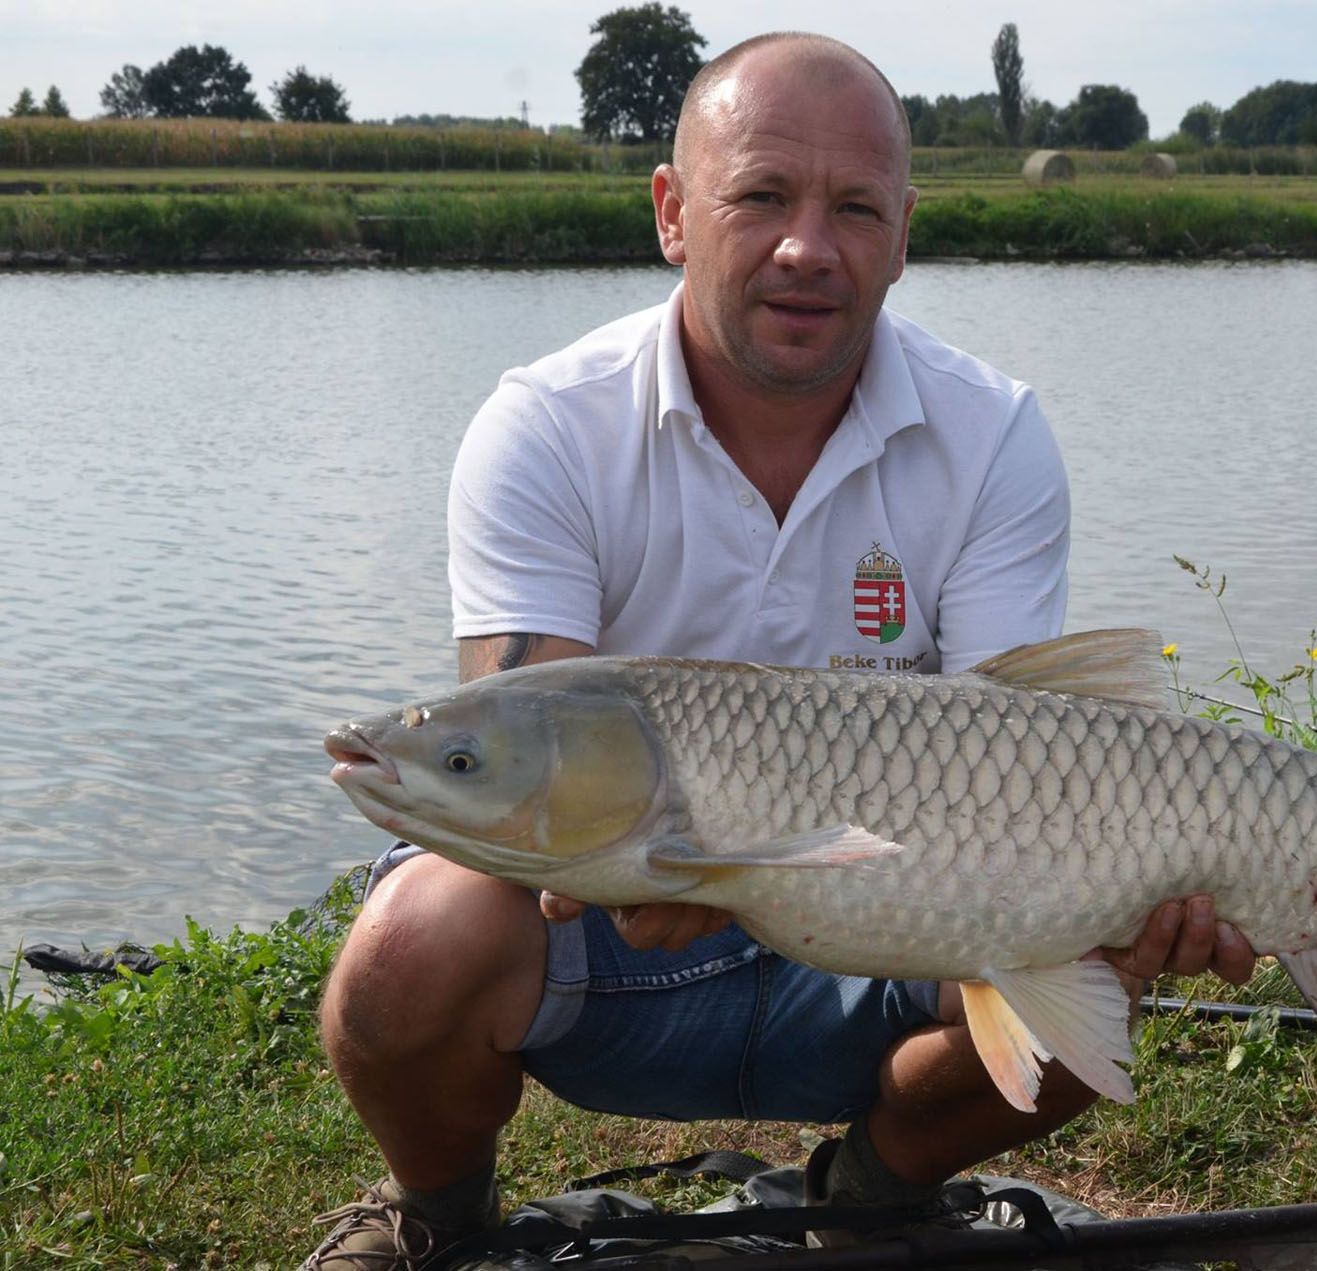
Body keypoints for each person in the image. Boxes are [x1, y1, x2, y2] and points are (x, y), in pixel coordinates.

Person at [305, 32, 1255, 1269]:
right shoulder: (545, 425)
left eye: (855, 207)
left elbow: (1034, 752)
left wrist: (1120, 899)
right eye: (760, 195)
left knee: (1102, 963)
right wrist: (677, 868)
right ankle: (436, 1217)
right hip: (616, 940)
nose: (810, 246)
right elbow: (514, 756)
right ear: (674, 212)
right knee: (411, 940)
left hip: (896, 921)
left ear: (903, 235)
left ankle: (876, 1187)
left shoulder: (993, 434)